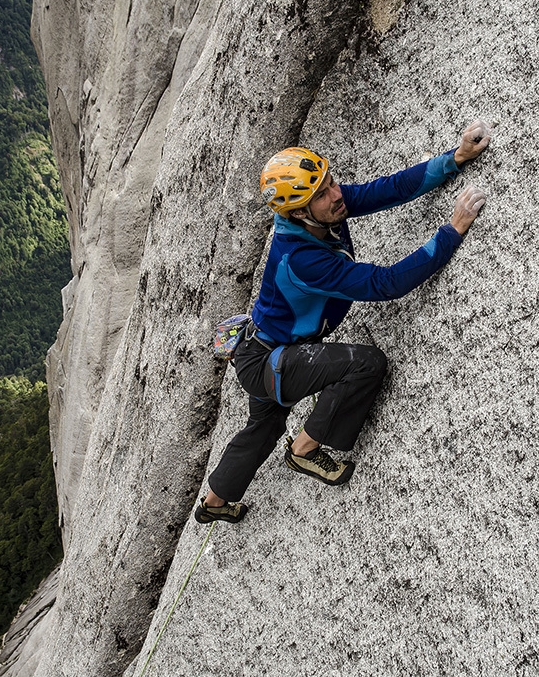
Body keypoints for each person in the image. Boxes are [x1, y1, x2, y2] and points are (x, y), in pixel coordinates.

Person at [195, 120, 490, 524]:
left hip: (262, 353)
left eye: (332, 182)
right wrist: (451, 231)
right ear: (299, 210)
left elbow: (388, 190)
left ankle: (213, 504)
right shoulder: (302, 258)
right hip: (269, 361)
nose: (337, 194)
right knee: (365, 364)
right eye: (323, 193)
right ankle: (305, 450)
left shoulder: (319, 213)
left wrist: (455, 158)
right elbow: (386, 283)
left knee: (262, 428)